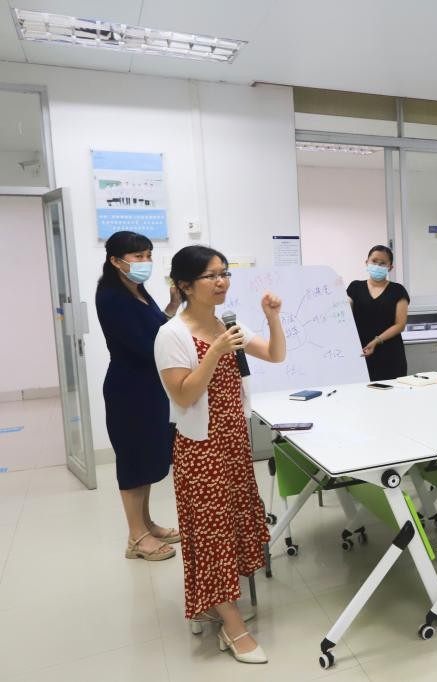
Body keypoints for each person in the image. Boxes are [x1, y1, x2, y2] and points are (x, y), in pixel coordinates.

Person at [155, 245, 285, 664]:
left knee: (231, 527)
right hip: (201, 448)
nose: (222, 282)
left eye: (225, 273)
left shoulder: (227, 323)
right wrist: (214, 351)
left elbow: (275, 354)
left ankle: (215, 603)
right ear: (185, 285)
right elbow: (183, 394)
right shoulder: (171, 334)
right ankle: (231, 625)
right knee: (212, 535)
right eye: (211, 276)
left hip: (234, 443)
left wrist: (272, 318)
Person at [96, 231, 181, 562]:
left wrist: (172, 305)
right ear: (116, 261)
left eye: (148, 255)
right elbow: (145, 347)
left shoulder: (137, 290)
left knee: (147, 458)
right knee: (133, 461)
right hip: (129, 389)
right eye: (138, 256)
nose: (145, 262)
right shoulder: (112, 298)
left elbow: (160, 329)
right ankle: (136, 538)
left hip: (150, 387)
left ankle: (146, 525)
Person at [347, 245, 410, 381]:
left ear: (390, 267)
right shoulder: (355, 287)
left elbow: (400, 325)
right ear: (367, 262)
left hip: (390, 355)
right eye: (374, 261)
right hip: (360, 353)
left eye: (382, 263)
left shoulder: (398, 290)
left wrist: (376, 341)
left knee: (392, 392)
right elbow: (345, 313)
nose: (377, 266)